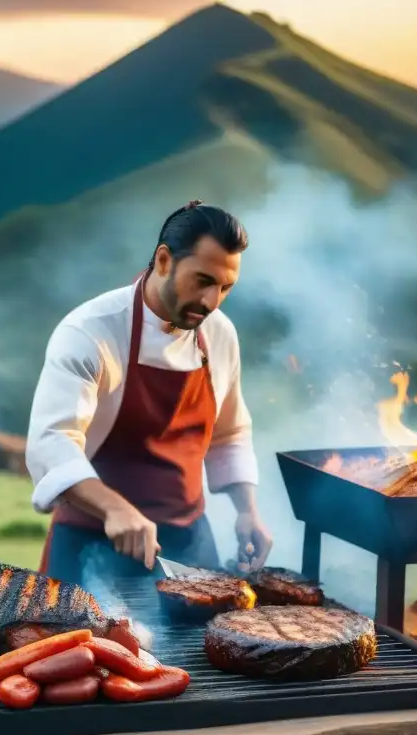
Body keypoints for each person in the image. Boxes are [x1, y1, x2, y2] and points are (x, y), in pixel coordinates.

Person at [27, 200, 272, 592]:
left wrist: (247, 510)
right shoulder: (90, 331)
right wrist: (115, 508)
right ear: (163, 260)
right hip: (90, 539)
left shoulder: (220, 335)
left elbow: (229, 434)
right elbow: (52, 443)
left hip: (189, 547)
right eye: (203, 281)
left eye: (225, 288)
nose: (212, 302)